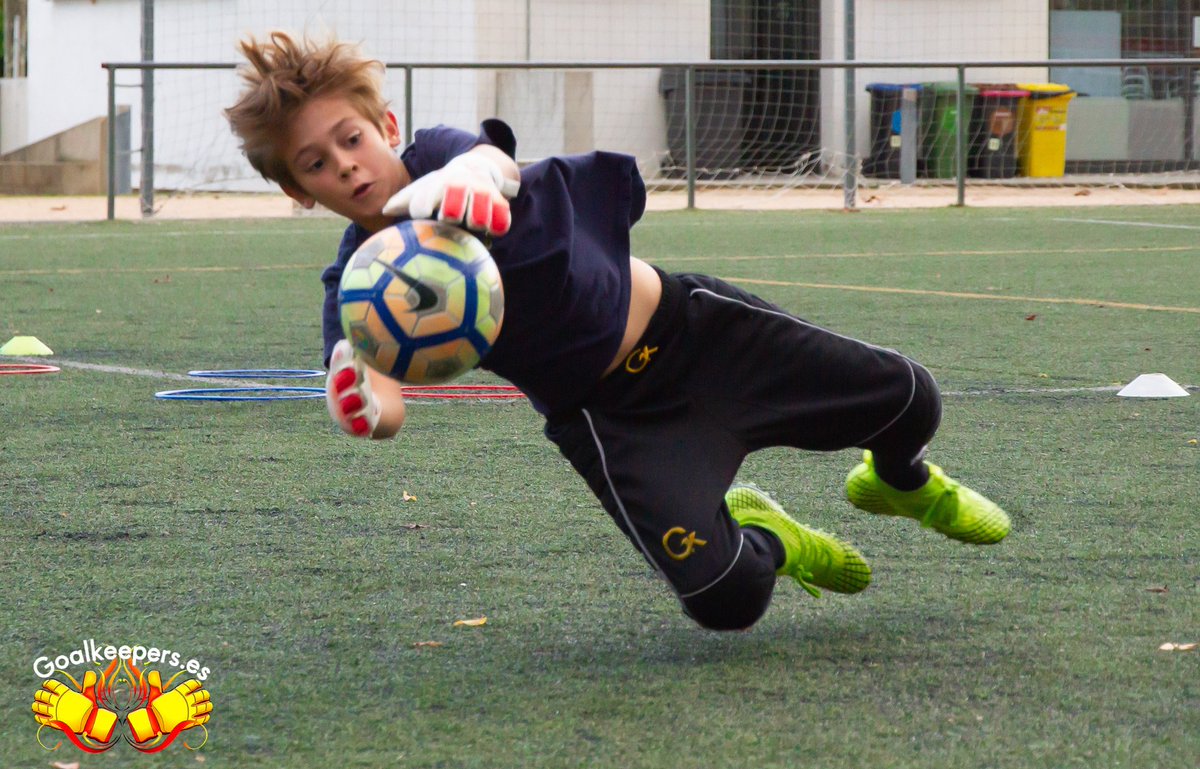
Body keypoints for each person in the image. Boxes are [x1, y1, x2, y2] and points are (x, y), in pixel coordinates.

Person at [225, 32, 1010, 632]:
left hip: (695, 332)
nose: (348, 167)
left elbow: (493, 165)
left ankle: (898, 480)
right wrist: (359, 399)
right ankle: (775, 534)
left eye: (352, 139)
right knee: (724, 601)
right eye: (318, 164)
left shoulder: (439, 155)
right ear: (299, 190)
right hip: (610, 418)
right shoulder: (359, 280)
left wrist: (473, 178)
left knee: (912, 397)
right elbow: (376, 392)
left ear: (383, 124)